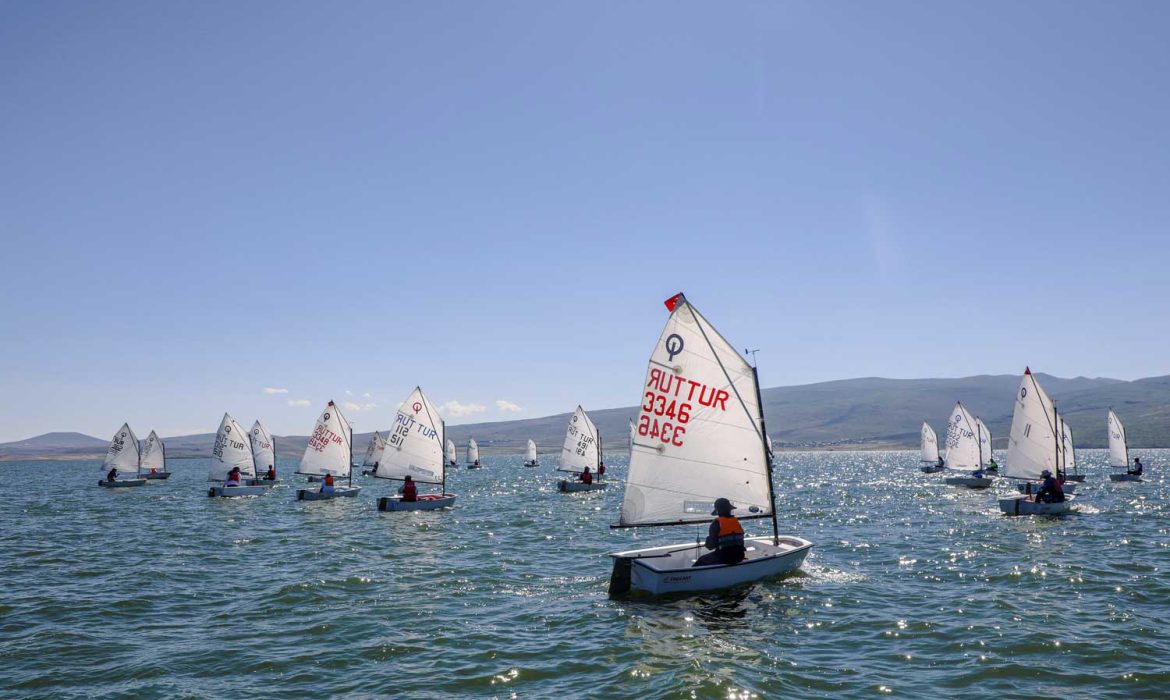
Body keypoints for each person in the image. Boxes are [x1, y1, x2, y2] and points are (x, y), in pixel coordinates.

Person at [693, 498, 746, 567]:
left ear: (718, 511)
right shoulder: (736, 521)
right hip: (739, 556)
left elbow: (710, 546)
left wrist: (707, 542)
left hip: (725, 558)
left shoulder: (716, 523)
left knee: (701, 560)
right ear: (729, 510)